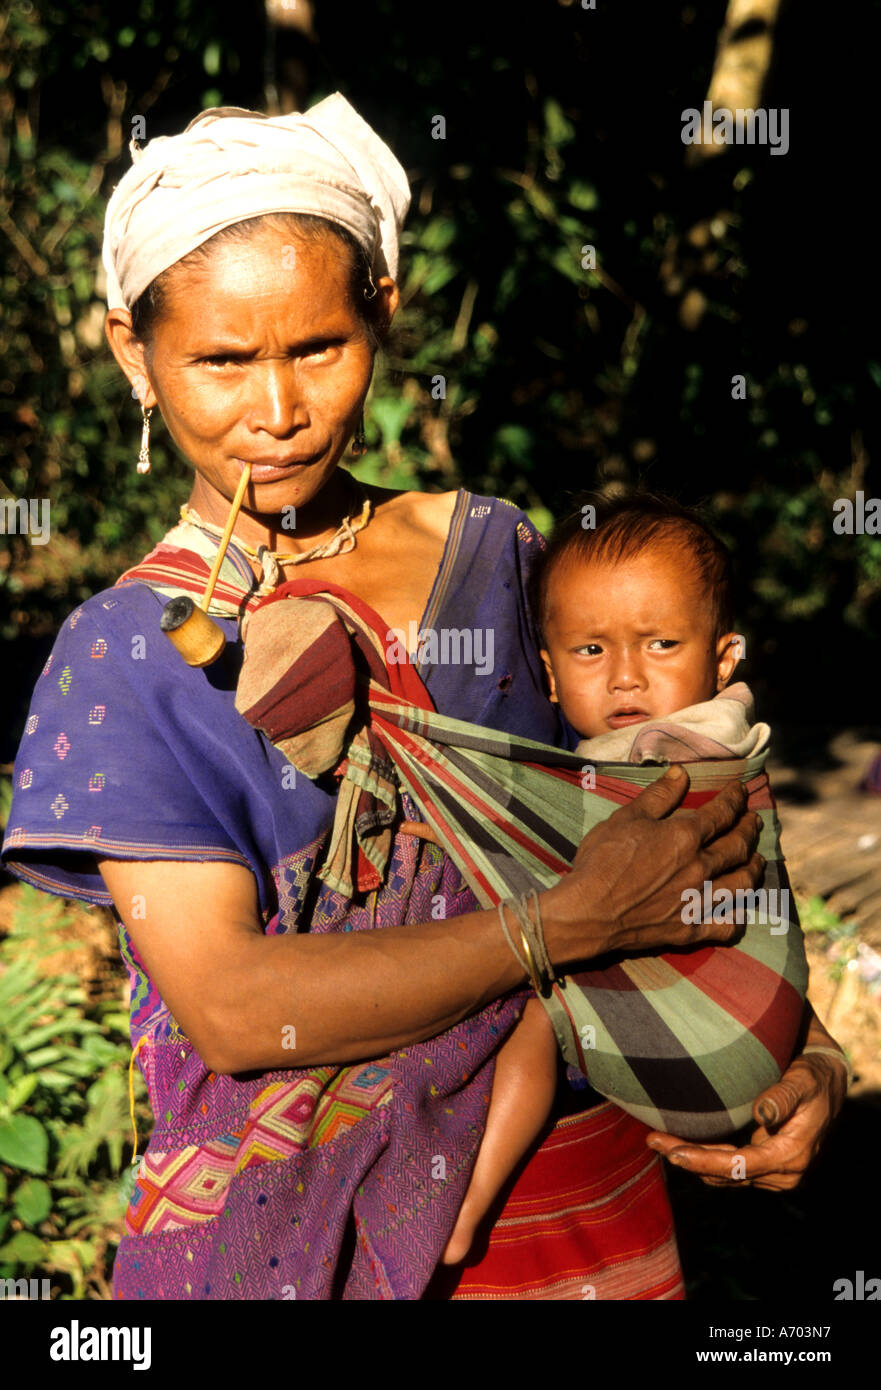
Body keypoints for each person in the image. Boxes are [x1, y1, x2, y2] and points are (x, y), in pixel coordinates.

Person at [0, 94, 848, 1301]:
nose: (276, 410)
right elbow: (237, 1011)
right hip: (308, 1239)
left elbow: (654, 810)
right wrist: (557, 929)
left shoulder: (494, 555)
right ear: (134, 353)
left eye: (317, 349)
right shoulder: (127, 656)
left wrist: (798, 1054)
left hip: (585, 1191)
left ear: (383, 315)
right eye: (220, 360)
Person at [439, 492, 815, 1265]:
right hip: (732, 1048)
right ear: (546, 671)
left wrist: (449, 819)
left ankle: (464, 1202)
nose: (624, 680)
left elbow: (558, 848)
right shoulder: (704, 727)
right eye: (589, 652)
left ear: (723, 659)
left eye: (660, 645)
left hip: (711, 1016)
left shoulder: (670, 752)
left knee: (531, 1015)